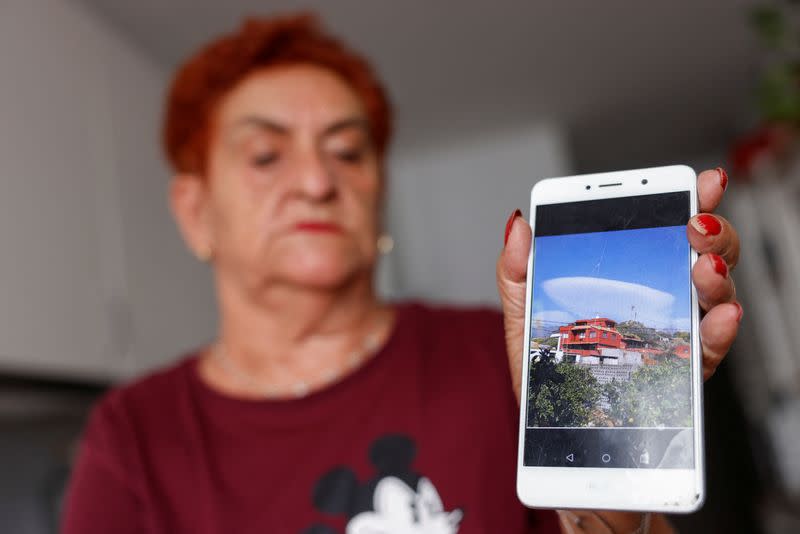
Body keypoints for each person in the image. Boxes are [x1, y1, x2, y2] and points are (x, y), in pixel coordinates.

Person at [61, 13, 742, 534]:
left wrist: (611, 513)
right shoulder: (136, 434)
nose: (317, 181)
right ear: (195, 209)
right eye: (267, 155)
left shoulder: (503, 353)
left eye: (349, 151)